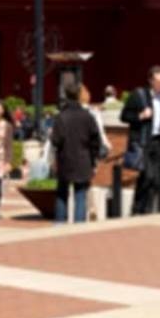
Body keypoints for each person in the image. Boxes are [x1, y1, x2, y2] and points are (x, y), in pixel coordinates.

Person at [116, 65, 160, 217]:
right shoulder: (139, 95)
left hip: (158, 143)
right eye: (158, 81)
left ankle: (146, 210)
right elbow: (124, 116)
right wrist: (141, 116)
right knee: (147, 176)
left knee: (155, 179)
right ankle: (138, 209)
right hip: (143, 142)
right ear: (150, 80)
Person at [49, 75, 107, 225]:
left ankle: (60, 224)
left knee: (62, 193)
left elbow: (55, 141)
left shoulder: (61, 116)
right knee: (80, 194)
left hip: (64, 159)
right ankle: (78, 226)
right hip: (83, 160)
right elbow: (96, 141)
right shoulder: (88, 116)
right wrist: (94, 161)